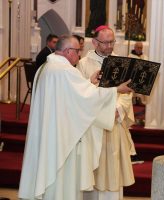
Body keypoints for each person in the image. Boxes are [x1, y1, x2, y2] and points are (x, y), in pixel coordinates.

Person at [18, 35, 133, 200]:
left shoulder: (47, 67)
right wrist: (116, 89)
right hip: (63, 141)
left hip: (50, 134)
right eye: (78, 51)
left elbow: (70, 96)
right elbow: (84, 99)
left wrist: (88, 82)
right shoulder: (65, 71)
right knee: (62, 186)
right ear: (67, 51)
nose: (79, 55)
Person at [77, 26, 138, 200]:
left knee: (113, 168)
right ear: (95, 42)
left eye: (112, 42)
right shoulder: (83, 64)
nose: (110, 46)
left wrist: (118, 109)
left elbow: (127, 92)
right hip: (93, 125)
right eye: (105, 42)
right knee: (93, 170)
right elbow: (81, 93)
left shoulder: (122, 63)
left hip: (114, 123)